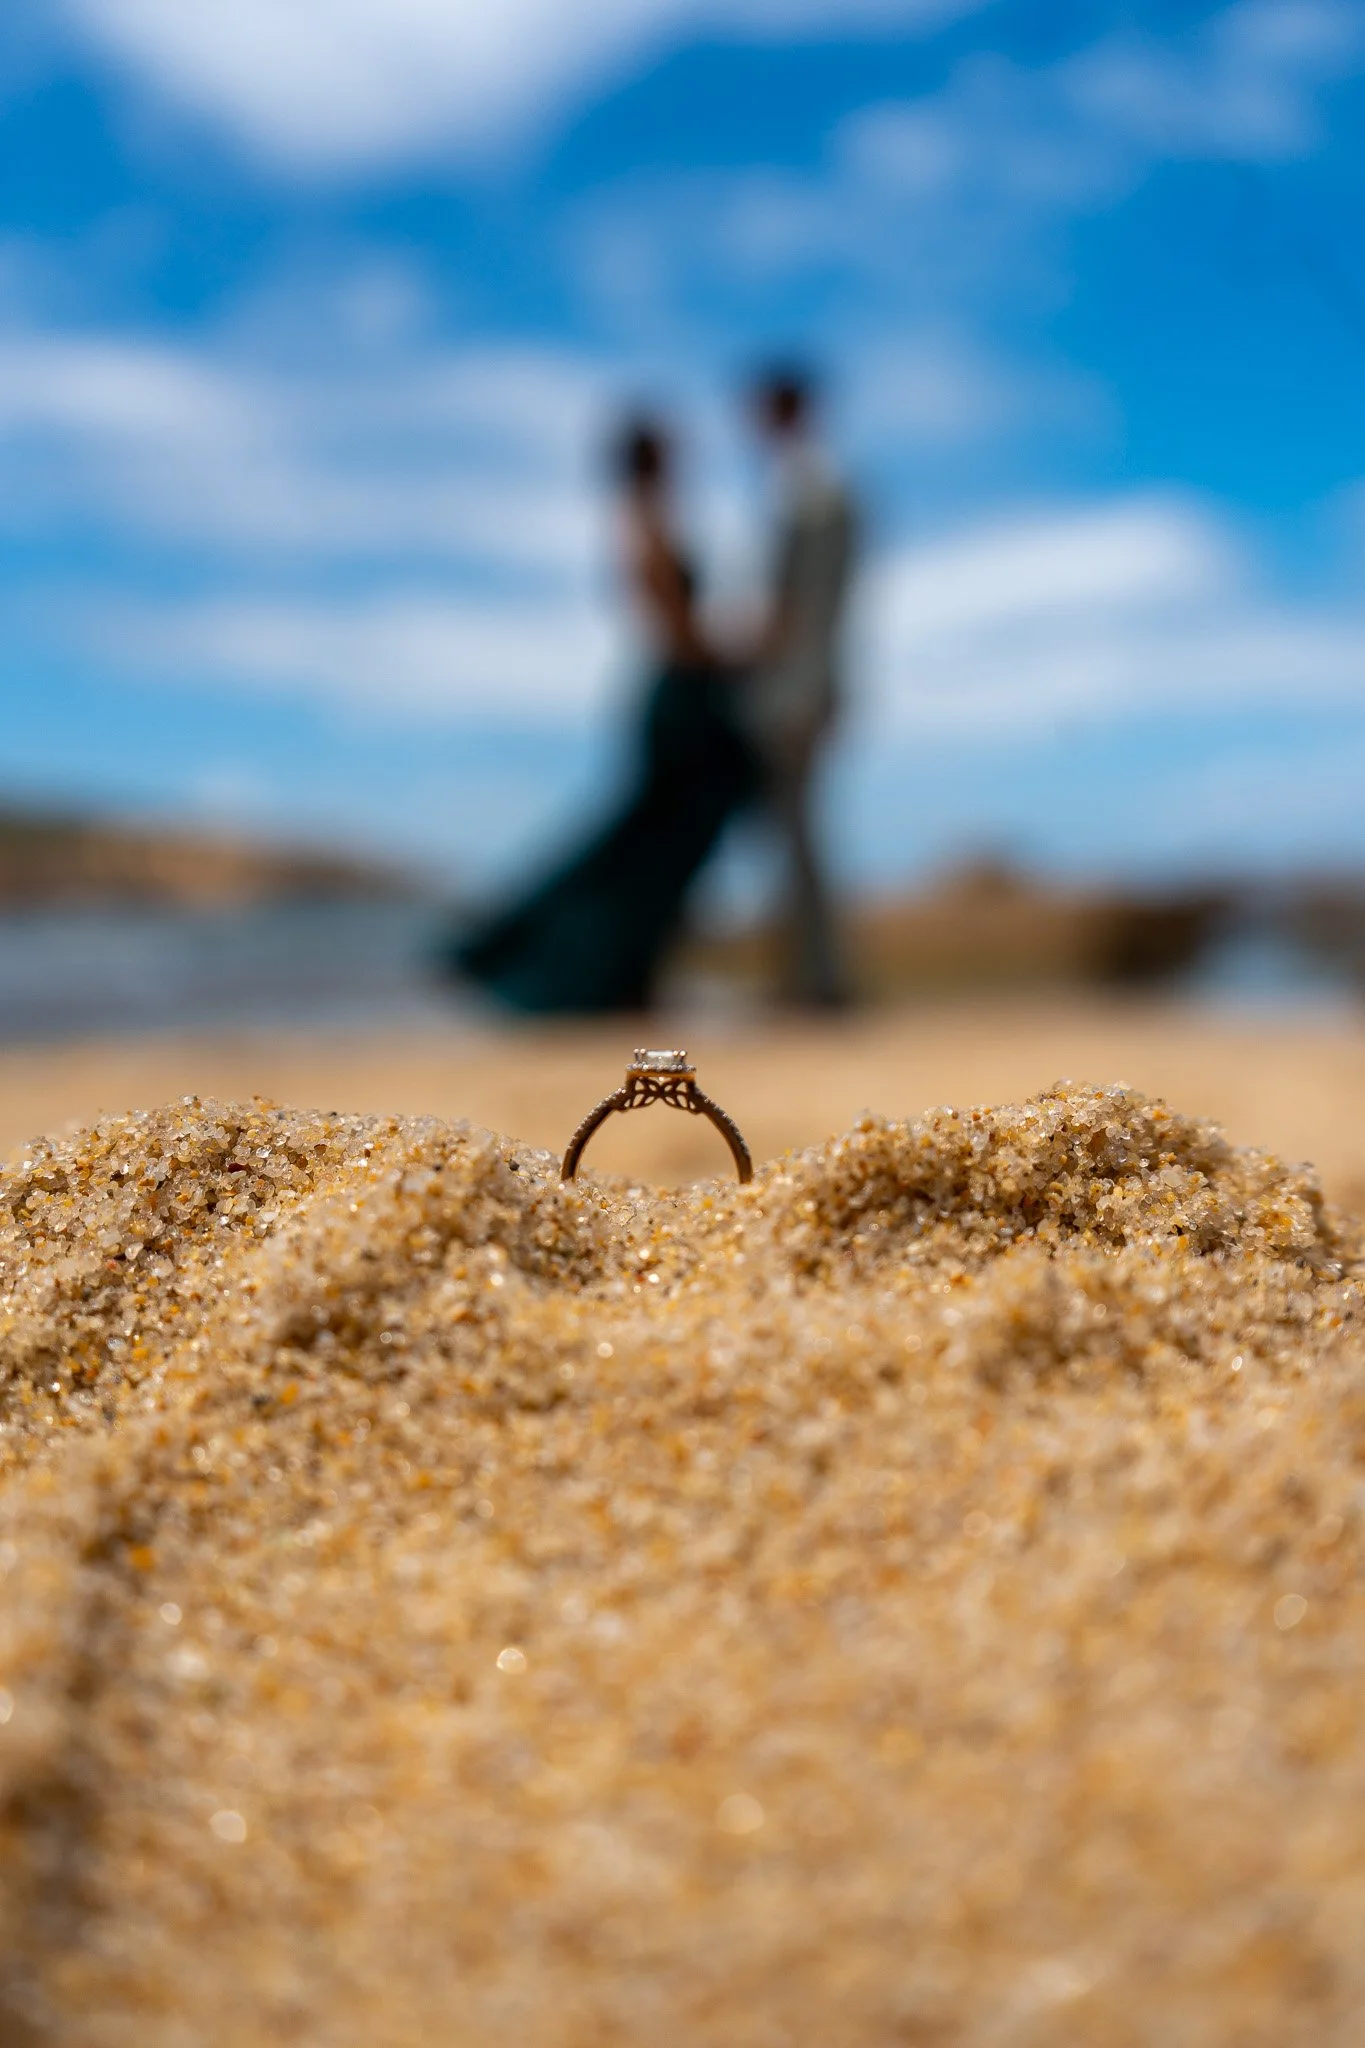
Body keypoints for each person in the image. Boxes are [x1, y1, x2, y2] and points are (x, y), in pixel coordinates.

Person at [445, 416, 755, 1014]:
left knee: (656, 840)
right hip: (684, 699)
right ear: (651, 457)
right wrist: (741, 650)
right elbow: (675, 630)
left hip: (690, 693)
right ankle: (548, 965)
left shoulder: (650, 515)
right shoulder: (641, 519)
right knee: (647, 840)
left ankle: (625, 976)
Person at [743, 364, 858, 1008]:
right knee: (797, 835)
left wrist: (790, 685)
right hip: (808, 683)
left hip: (796, 689)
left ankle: (815, 983)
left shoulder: (808, 484)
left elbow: (802, 604)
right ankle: (810, 978)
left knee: (797, 835)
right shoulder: (814, 482)